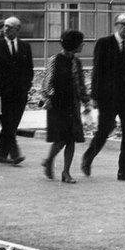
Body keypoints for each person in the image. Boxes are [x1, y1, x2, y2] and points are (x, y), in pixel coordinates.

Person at [81, 13, 125, 182]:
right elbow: (97, 71)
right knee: (105, 130)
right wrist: (94, 96)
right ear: (116, 25)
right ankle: (88, 156)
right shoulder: (104, 43)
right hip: (108, 97)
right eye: (123, 24)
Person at [0, 17, 34, 166]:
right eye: (5, 26)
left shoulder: (25, 47)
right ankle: (15, 153)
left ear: (17, 29)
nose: (6, 29)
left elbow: (29, 69)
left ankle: (1, 155)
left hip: (19, 93)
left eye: (10, 27)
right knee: (6, 123)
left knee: (12, 124)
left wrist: (26, 86)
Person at [40, 30, 89, 183]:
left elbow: (80, 83)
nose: (83, 44)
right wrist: (49, 97)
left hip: (72, 104)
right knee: (61, 139)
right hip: (57, 105)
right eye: (80, 42)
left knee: (71, 139)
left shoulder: (76, 62)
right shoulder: (55, 60)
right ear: (73, 44)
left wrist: (86, 101)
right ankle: (49, 160)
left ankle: (66, 172)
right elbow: (47, 83)